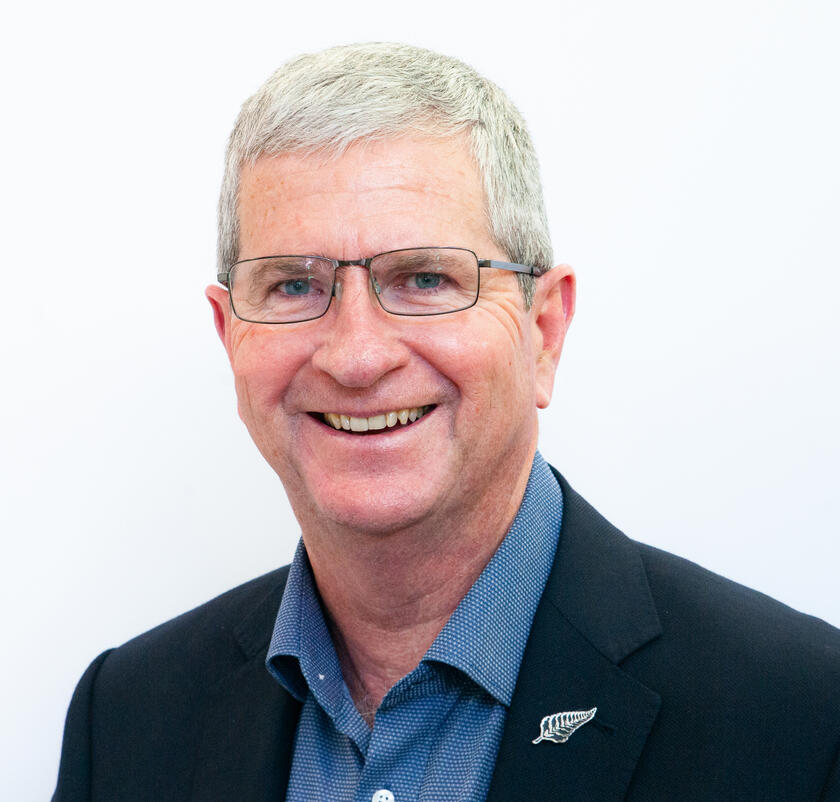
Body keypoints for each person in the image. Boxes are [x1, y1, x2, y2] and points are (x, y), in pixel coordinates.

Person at [54, 43, 839, 801]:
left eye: (425, 278)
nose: (357, 356)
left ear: (544, 331)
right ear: (230, 336)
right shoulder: (125, 718)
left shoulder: (801, 718)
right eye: (293, 286)